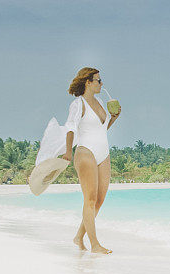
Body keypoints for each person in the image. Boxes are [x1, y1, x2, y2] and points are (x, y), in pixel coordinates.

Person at [60, 67, 121, 254]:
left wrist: (113, 119)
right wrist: (68, 152)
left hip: (103, 152)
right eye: (98, 80)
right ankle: (94, 244)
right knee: (90, 199)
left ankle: (78, 237)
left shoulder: (100, 101)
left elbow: (101, 130)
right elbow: (70, 127)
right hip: (85, 151)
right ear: (88, 82)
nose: (101, 84)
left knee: (99, 201)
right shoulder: (78, 104)